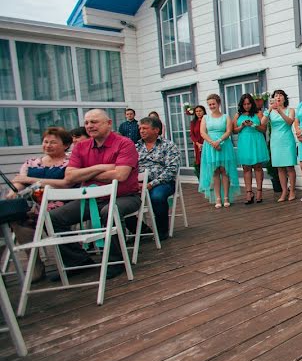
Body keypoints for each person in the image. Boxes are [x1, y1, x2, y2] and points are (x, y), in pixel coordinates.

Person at [51, 109, 142, 278]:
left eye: (94, 122)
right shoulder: (80, 147)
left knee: (108, 211)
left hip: (124, 197)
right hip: (90, 199)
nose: (89, 126)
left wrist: (85, 172)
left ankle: (116, 261)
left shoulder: (124, 143)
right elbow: (70, 176)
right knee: (52, 218)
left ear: (109, 123)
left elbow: (121, 175)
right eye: (86, 123)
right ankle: (78, 261)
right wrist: (101, 167)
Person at [7, 127, 74, 282]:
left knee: (48, 215)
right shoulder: (32, 163)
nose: (48, 145)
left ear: (65, 145)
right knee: (18, 219)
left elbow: (67, 183)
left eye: (53, 142)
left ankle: (70, 258)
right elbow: (19, 181)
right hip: (36, 205)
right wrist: (14, 191)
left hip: (63, 202)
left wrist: (31, 181)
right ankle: (35, 265)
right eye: (45, 142)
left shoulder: (70, 162)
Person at [135, 116, 179, 239]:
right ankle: (140, 229)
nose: (141, 131)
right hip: (138, 182)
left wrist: (151, 184)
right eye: (140, 128)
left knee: (157, 196)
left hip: (162, 183)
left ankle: (162, 230)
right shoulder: (136, 146)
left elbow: (171, 170)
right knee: (120, 200)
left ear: (156, 130)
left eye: (145, 128)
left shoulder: (168, 145)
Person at [199, 94, 240, 208]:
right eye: (210, 104)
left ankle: (226, 197)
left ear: (218, 104)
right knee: (215, 171)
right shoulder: (205, 118)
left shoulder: (226, 116)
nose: (212, 106)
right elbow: (203, 132)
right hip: (210, 146)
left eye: (213, 104)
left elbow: (228, 131)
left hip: (224, 145)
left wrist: (219, 141)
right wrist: (212, 143)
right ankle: (218, 198)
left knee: (224, 170)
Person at [234, 93, 269, 204]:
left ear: (252, 103)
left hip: (256, 140)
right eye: (244, 104)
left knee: (258, 166)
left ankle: (259, 191)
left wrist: (254, 125)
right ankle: (249, 192)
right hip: (244, 142)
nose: (247, 106)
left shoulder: (258, 113)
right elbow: (233, 130)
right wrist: (242, 125)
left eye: (249, 103)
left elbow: (264, 129)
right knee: (246, 167)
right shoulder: (238, 115)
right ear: (241, 105)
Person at [266, 89, 298, 202]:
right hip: (275, 141)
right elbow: (263, 122)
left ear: (284, 98)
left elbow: (290, 122)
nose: (278, 97)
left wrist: (280, 112)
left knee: (289, 166)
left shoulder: (291, 110)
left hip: (287, 140)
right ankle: (284, 191)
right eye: (276, 96)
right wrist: (270, 109)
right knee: (280, 167)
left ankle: (292, 190)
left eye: (280, 95)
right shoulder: (270, 111)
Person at [189, 105, 206, 175]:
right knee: (200, 163)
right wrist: (197, 143)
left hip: (206, 143)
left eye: (200, 111)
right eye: (196, 111)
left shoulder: (207, 120)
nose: (198, 113)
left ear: (204, 111)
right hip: (197, 145)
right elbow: (191, 134)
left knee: (207, 161)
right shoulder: (193, 122)